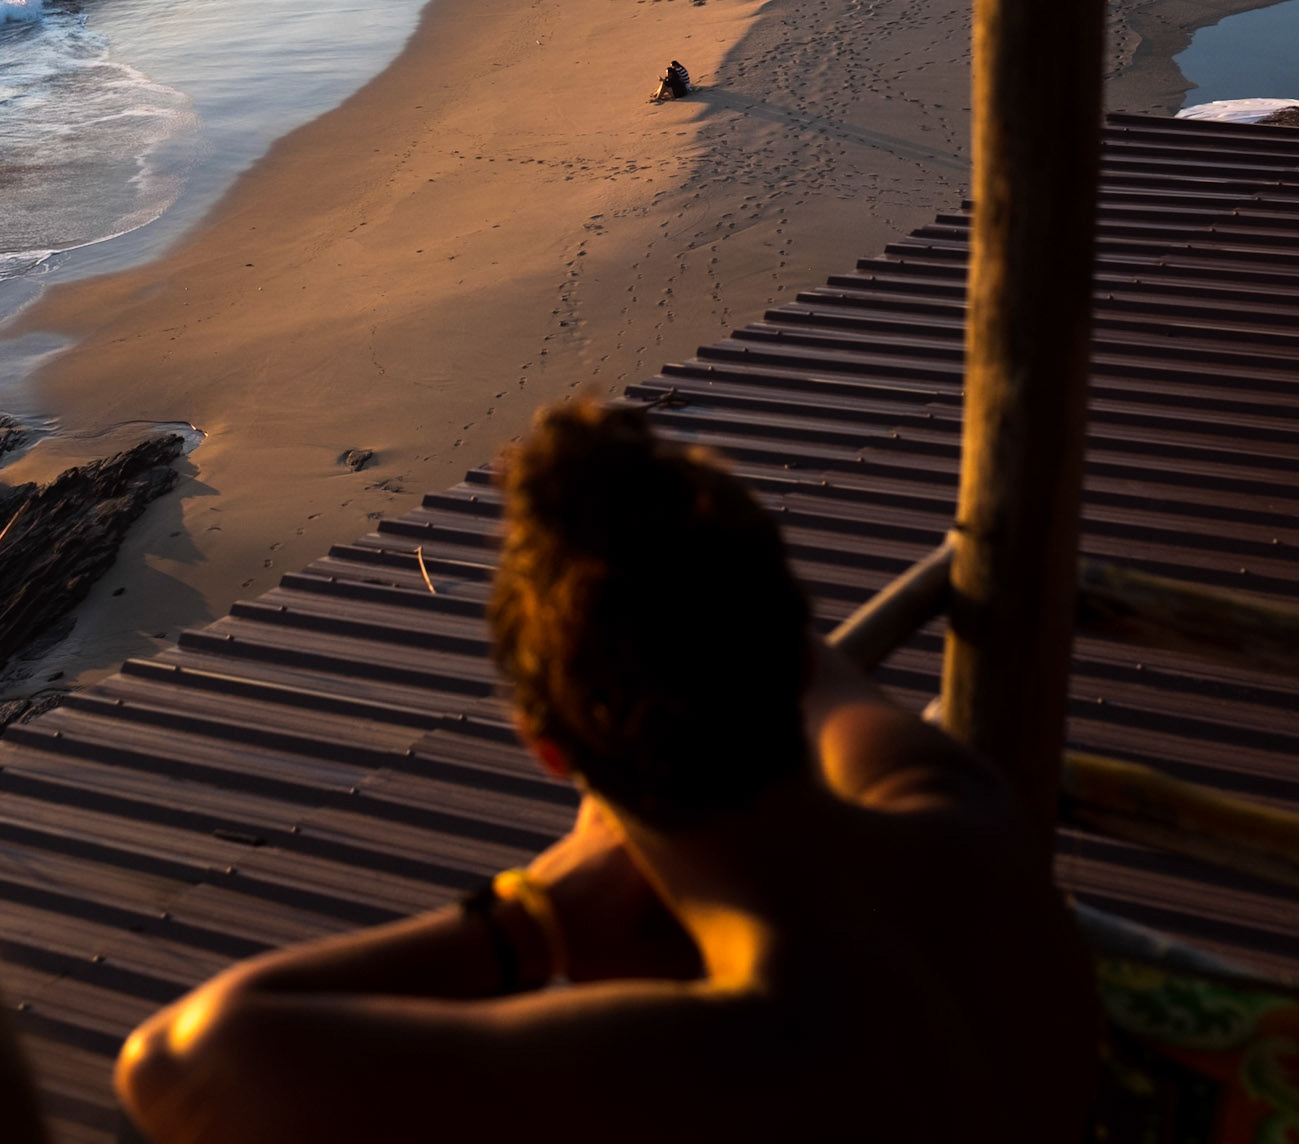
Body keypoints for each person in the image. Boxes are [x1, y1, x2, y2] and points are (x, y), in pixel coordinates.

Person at [114, 400, 1098, 1144]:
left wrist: (533, 916)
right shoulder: (964, 815)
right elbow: (804, 668)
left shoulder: (705, 1057)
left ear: (553, 751)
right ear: (789, 655)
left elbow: (173, 1064)